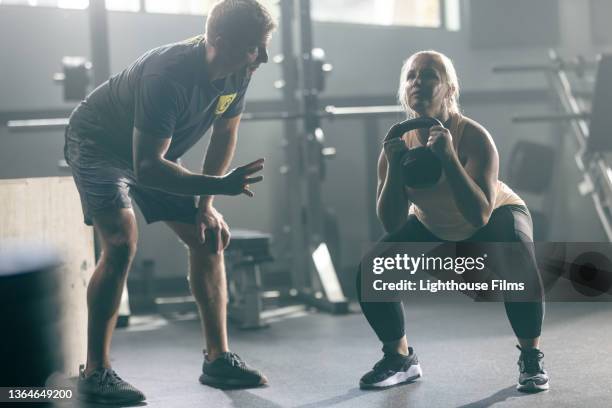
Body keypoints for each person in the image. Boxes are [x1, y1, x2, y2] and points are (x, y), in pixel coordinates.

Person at [63, 0, 276, 403]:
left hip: (152, 155)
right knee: (122, 240)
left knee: (208, 235)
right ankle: (96, 371)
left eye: (264, 45)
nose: (263, 57)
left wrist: (205, 204)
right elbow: (147, 168)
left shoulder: (238, 71)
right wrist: (219, 185)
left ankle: (217, 359)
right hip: (99, 144)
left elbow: (223, 135)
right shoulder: (169, 76)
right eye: (253, 46)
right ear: (218, 41)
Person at [356, 50, 549, 393]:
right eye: (412, 76)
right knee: (372, 269)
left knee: (517, 255)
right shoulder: (397, 143)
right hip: (432, 221)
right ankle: (400, 359)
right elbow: (391, 222)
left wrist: (448, 159)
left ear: (449, 88)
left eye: (429, 75)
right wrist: (395, 172)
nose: (418, 82)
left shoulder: (473, 137)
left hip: (495, 213)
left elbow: (478, 214)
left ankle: (531, 357)